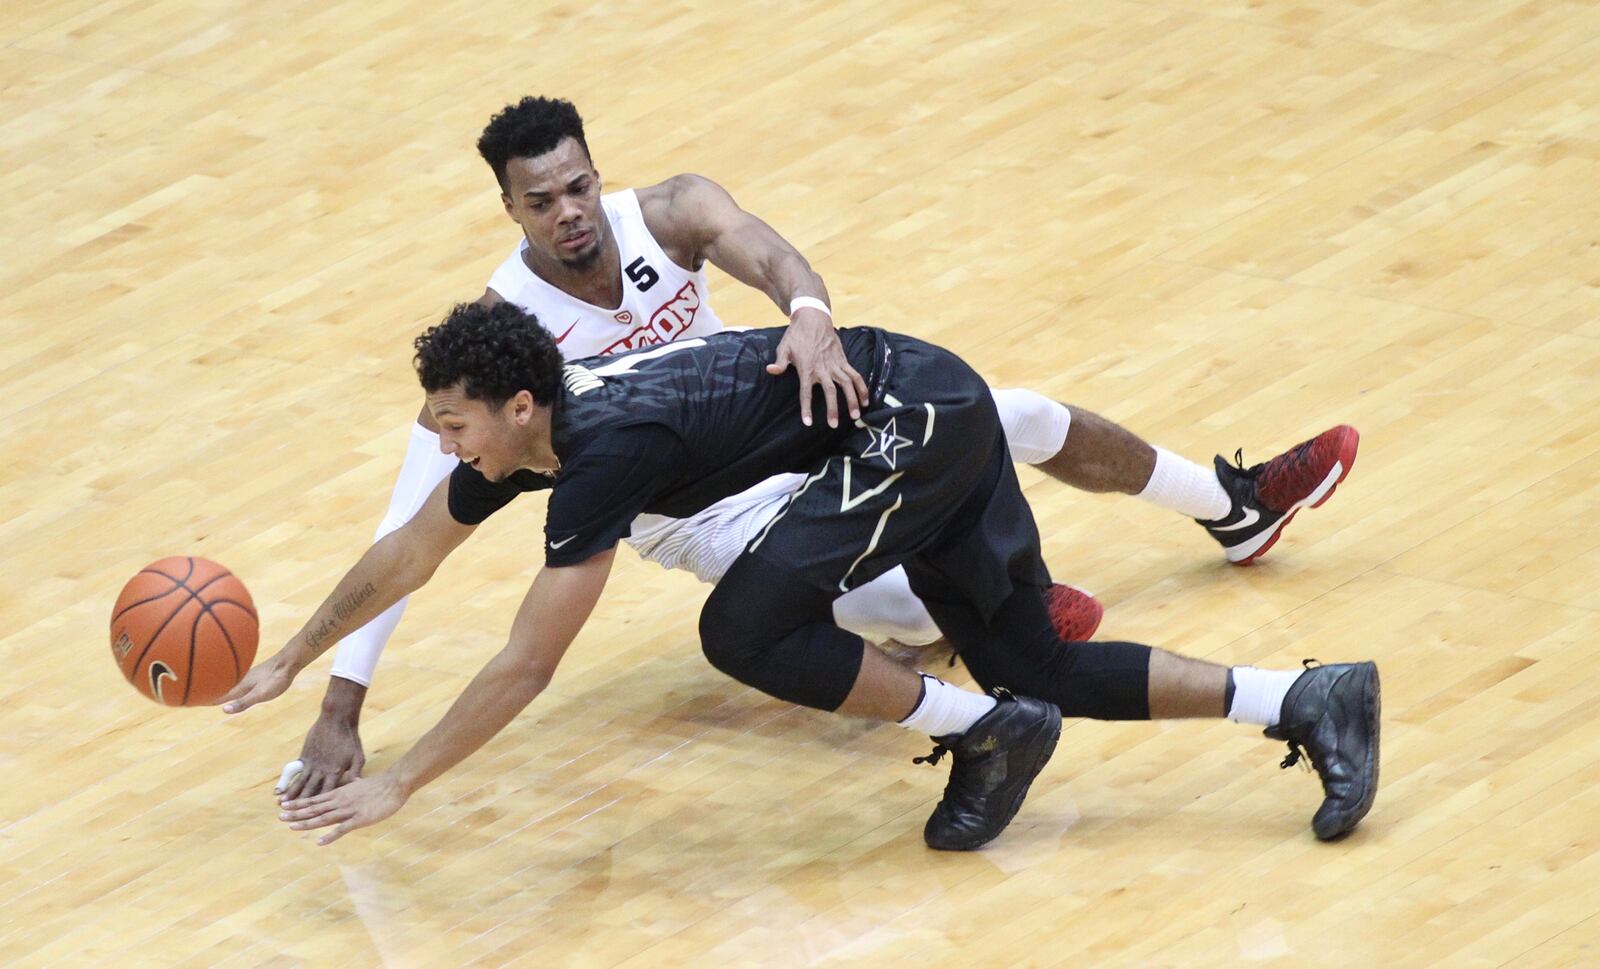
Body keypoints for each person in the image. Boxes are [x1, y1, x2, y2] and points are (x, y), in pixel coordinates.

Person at [276, 96, 1360, 802]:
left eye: (577, 187)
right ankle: (988, 637)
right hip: (702, 506)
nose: (571, 214)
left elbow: (773, 255)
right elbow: (411, 535)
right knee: (879, 607)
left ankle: (1222, 508)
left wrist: (807, 314)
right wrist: (334, 697)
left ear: (593, 172)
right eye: (540, 201)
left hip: (787, 415)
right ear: (507, 210)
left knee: (1008, 417)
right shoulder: (500, 349)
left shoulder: (667, 214)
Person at [234, 304, 1379, 850]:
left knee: (745, 625)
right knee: (1042, 664)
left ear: (518, 408)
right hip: (916, 417)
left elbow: (528, 663)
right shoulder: (532, 444)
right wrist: (294, 655)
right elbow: (409, 550)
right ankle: (1302, 698)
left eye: (451, 422)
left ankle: (984, 730)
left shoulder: (596, 459)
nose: (443, 444)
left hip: (912, 417)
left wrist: (405, 782)